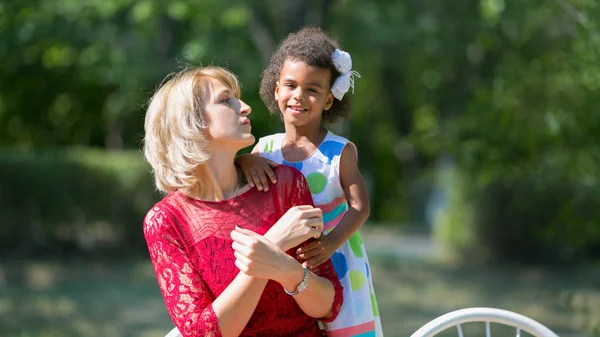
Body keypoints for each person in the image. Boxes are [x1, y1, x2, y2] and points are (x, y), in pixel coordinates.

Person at [142, 65, 343, 337]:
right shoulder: (166, 221)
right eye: (226, 101)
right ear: (191, 122)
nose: (246, 107)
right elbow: (203, 334)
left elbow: (329, 305)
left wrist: (285, 269)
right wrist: (272, 246)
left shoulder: (283, 184)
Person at [237, 26, 383, 336]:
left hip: (336, 258)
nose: (299, 96)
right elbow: (239, 185)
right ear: (276, 89)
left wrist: (331, 243)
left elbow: (360, 206)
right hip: (286, 262)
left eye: (312, 89)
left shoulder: (337, 152)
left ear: (329, 100)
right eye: (290, 85)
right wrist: (244, 160)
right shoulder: (265, 148)